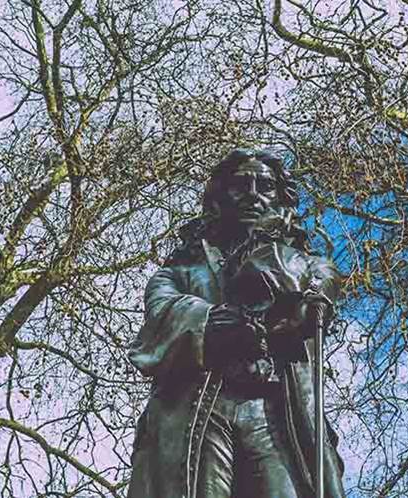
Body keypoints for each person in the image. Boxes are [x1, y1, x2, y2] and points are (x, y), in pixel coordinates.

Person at [127, 148, 346, 498]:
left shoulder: (305, 265)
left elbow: (322, 286)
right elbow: (159, 317)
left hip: (275, 412)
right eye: (241, 186)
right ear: (219, 199)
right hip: (197, 409)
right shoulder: (180, 273)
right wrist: (212, 318)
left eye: (266, 186)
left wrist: (303, 296)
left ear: (280, 200)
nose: (254, 195)